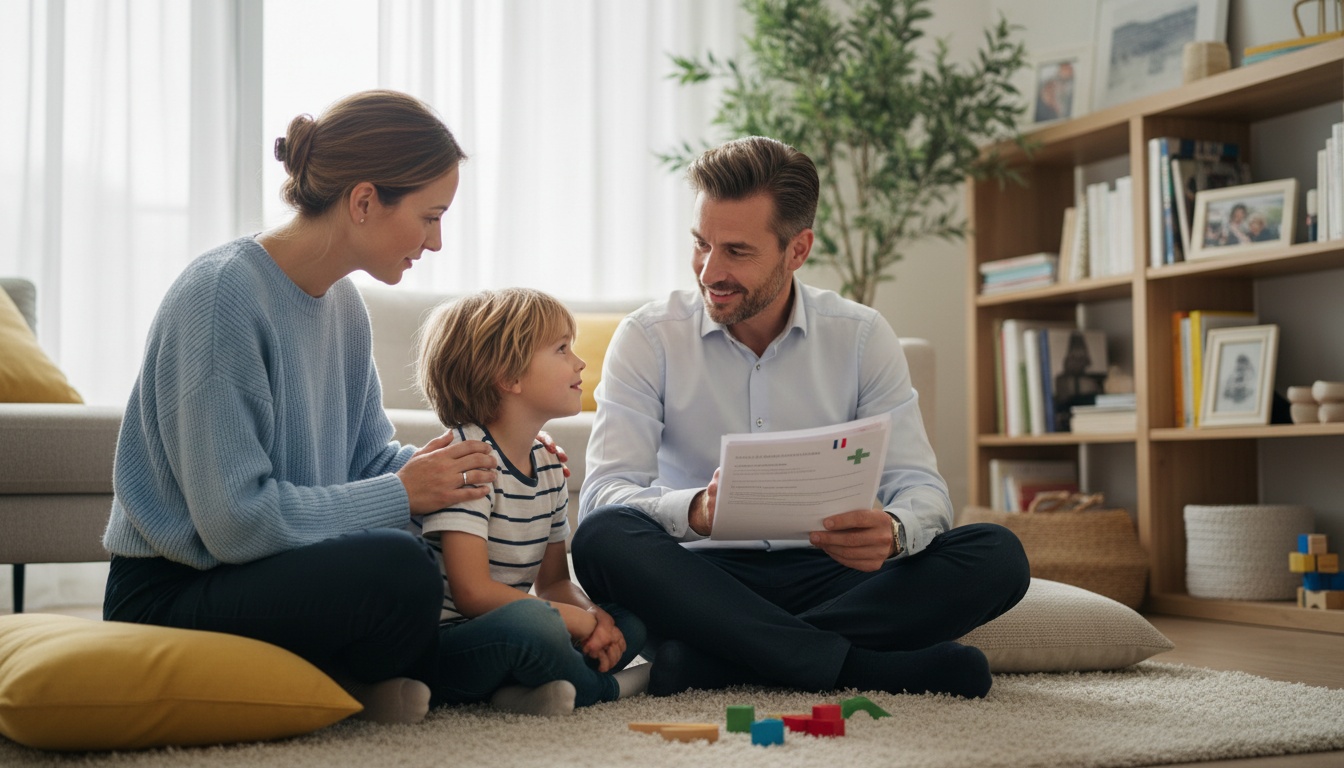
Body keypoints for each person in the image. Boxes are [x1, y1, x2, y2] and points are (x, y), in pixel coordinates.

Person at [101, 90, 548, 725]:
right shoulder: (222, 297)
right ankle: (482, 668)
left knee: (430, 550)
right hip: (175, 589)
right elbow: (235, 525)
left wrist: (472, 463)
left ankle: (462, 670)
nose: (438, 241)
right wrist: (405, 492)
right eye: (430, 216)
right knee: (397, 569)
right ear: (364, 201)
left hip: (276, 570)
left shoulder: (342, 306)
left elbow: (369, 458)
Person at [571, 136, 1030, 700]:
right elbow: (603, 496)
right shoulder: (648, 338)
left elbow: (920, 486)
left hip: (835, 578)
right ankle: (862, 669)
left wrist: (893, 532)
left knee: (997, 556)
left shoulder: (860, 335)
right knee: (599, 539)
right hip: (701, 580)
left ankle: (720, 664)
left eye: (736, 251)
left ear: (798, 249)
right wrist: (693, 510)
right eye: (700, 244)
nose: (708, 270)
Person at [412, 288, 649, 715]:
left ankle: (523, 693)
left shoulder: (549, 462)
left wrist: (594, 616)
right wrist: (574, 621)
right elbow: (471, 593)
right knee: (537, 625)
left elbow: (554, 583)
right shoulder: (469, 459)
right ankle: (605, 689)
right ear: (509, 377)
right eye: (561, 349)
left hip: (516, 632)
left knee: (628, 618)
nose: (579, 363)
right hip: (447, 645)